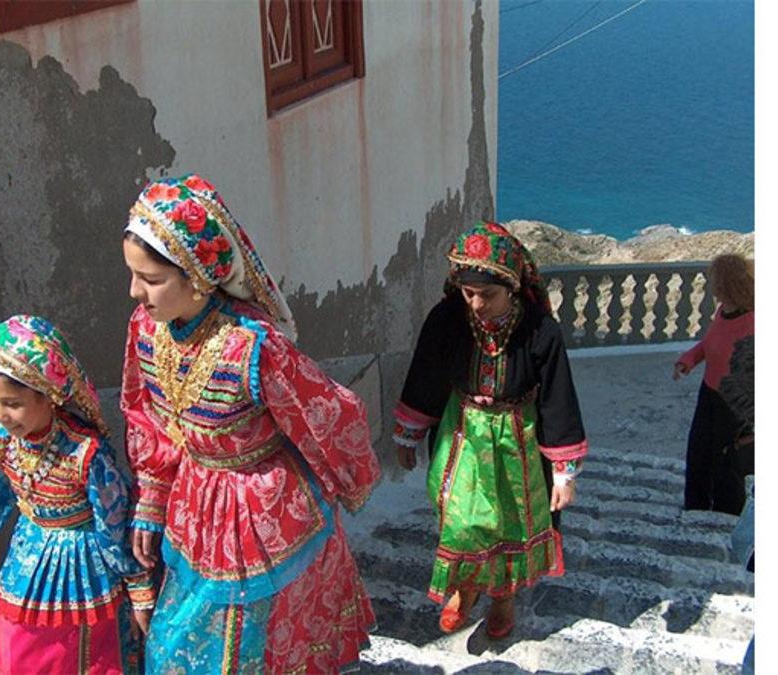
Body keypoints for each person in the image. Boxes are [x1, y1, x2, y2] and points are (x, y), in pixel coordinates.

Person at [119, 174, 380, 673]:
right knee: (179, 647)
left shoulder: (253, 347)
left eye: (151, 280)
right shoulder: (144, 330)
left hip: (265, 516)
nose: (137, 293)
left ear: (197, 275)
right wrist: (152, 499)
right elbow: (144, 414)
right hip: (196, 506)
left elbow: (327, 412)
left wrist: (348, 481)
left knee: (250, 649)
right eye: (133, 276)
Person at [392, 221, 588, 639]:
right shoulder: (447, 319)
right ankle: (465, 589)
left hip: (518, 438)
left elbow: (557, 397)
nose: (477, 304)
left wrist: (564, 472)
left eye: (488, 294)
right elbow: (426, 375)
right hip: (461, 432)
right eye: (469, 293)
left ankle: (502, 598)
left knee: (510, 523)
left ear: (513, 287)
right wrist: (409, 432)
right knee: (462, 522)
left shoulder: (540, 330)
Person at [0, 315, 154, 674]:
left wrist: (139, 590)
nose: (2, 415)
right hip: (26, 561)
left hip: (85, 576)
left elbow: (115, 524)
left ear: (49, 396)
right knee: (15, 647)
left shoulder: (86, 453)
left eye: (13, 403)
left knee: (77, 656)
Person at [674, 253, 754, 515]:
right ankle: (695, 508)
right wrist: (688, 361)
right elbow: (710, 345)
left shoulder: (753, 323)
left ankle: (725, 516)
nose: (711, 285)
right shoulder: (723, 312)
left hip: (735, 405)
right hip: (709, 395)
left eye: (715, 280)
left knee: (726, 463)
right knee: (698, 453)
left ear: (726, 284)